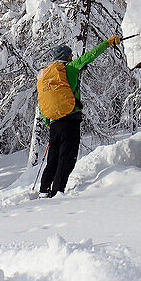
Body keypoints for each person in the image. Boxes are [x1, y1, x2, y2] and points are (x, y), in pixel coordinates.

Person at [38, 37, 121, 196]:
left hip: (54, 121)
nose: (72, 58)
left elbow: (43, 99)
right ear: (68, 57)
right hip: (70, 119)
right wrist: (109, 42)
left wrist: (47, 120)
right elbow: (91, 55)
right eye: (70, 56)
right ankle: (57, 192)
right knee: (67, 157)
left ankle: (44, 189)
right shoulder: (71, 68)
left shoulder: (47, 75)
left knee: (53, 157)